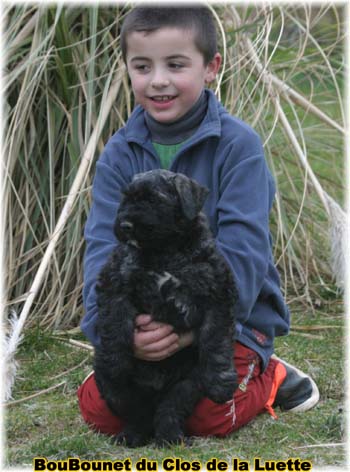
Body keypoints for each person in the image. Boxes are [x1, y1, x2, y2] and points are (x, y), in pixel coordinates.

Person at [77, 5, 319, 438]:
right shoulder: (118, 154)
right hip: (143, 323)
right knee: (103, 412)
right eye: (142, 66)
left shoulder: (238, 147)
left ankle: (271, 374)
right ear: (127, 70)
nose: (158, 80)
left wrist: (195, 334)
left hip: (220, 325)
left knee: (205, 418)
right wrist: (121, 335)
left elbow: (245, 254)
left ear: (211, 68)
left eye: (176, 64)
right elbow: (102, 250)